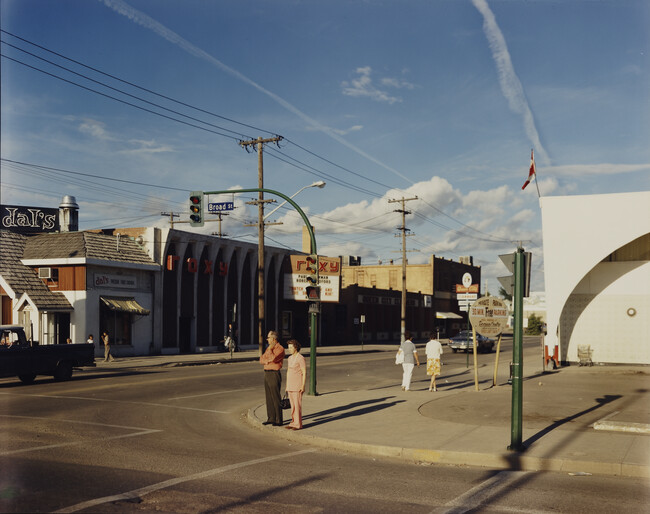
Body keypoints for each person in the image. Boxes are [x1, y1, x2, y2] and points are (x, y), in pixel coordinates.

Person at [260, 330, 285, 426]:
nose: (267, 340)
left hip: (274, 374)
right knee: (269, 397)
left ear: (273, 339)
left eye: (268, 338)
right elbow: (262, 359)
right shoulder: (268, 348)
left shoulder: (280, 348)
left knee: (275, 397)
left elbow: (274, 359)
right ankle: (271, 418)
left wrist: (270, 351)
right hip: (267, 373)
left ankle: (279, 419)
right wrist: (267, 360)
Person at [285, 339, 306, 430]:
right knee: (292, 405)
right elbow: (288, 371)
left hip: (297, 385)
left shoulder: (300, 358)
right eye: (288, 347)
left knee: (297, 405)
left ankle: (298, 424)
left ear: (296, 347)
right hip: (290, 384)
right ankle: (293, 422)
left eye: (291, 347)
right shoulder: (289, 358)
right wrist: (286, 385)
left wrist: (303, 385)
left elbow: (304, 372)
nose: (289, 349)